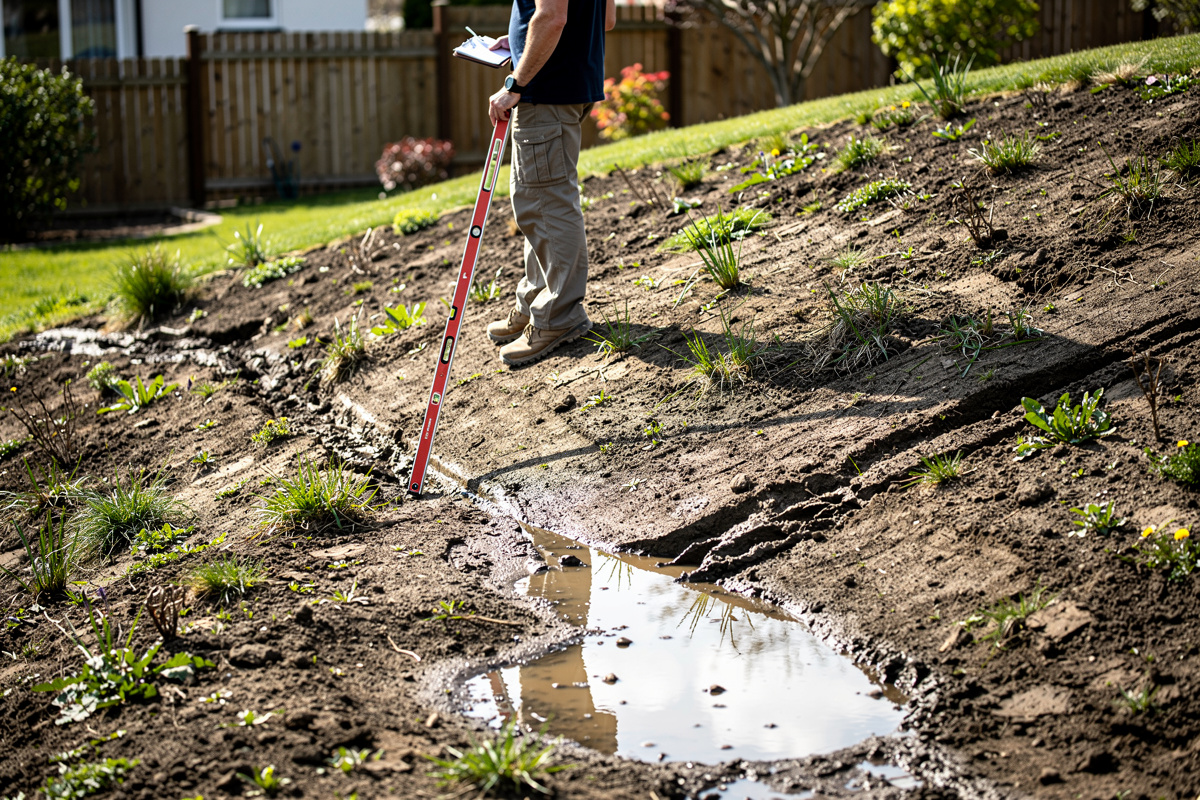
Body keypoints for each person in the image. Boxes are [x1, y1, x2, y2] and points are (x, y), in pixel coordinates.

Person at [484, 0, 616, 366]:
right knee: (540, 203)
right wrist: (520, 42)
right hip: (572, 84)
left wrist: (515, 82)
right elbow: (604, 19)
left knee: (546, 203)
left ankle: (559, 316)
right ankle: (537, 300)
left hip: (546, 92)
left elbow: (554, 17)